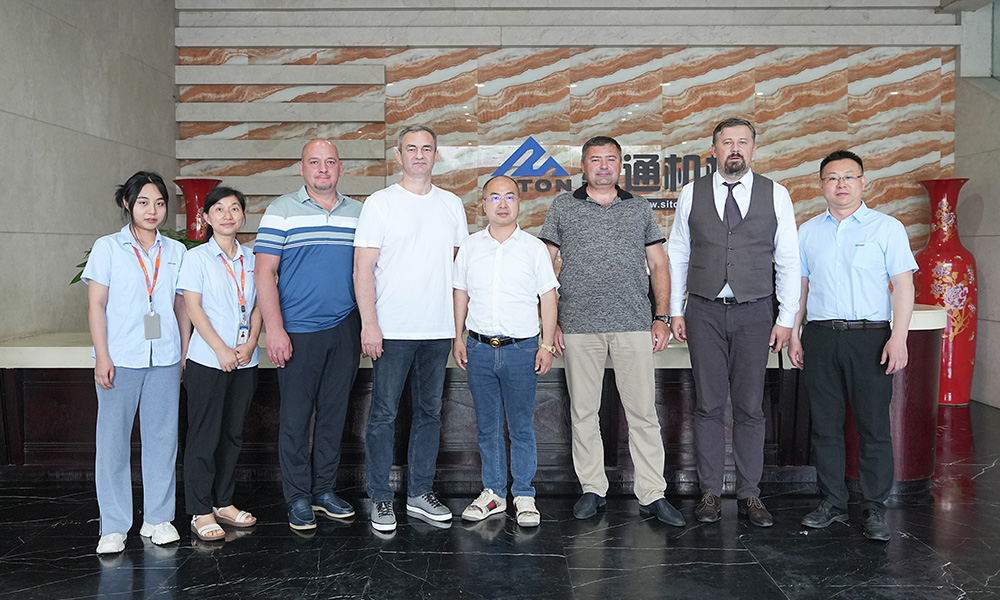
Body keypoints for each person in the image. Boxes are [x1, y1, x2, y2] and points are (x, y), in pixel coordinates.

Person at [538, 135, 684, 527]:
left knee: (643, 414)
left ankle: (652, 494)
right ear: (583, 166)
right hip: (577, 325)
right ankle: (592, 488)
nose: (603, 166)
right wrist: (549, 324)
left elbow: (659, 264)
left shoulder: (639, 207)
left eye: (610, 159)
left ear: (620, 165)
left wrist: (661, 316)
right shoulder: (563, 206)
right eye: (595, 159)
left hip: (633, 324)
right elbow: (543, 266)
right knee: (583, 412)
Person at [668, 118, 800, 528]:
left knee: (749, 406)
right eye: (727, 142)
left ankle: (749, 494)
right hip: (703, 309)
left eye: (743, 142)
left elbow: (789, 259)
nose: (735, 149)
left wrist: (786, 318)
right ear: (714, 150)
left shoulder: (776, 194)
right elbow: (678, 252)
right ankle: (709, 492)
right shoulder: (691, 193)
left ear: (754, 150)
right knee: (708, 405)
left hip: (755, 311)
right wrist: (674, 310)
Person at [789, 150, 916, 542]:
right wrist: (794, 333)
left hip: (870, 337)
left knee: (873, 425)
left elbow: (904, 285)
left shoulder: (887, 228)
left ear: (863, 182)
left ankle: (874, 507)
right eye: (832, 177)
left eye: (848, 176)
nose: (840, 184)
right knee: (825, 425)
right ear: (821, 185)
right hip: (821, 336)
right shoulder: (808, 231)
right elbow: (800, 288)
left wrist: (899, 337)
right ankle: (832, 502)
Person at [354, 125, 469, 533]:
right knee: (383, 415)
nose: (419, 155)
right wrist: (370, 324)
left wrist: (458, 331)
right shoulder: (380, 203)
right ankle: (380, 497)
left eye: (427, 149)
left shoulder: (451, 204)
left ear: (436, 155)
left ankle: (420, 493)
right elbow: (362, 269)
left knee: (429, 414)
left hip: (437, 330)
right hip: (392, 329)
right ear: (399, 155)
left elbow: (459, 272)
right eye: (411, 149)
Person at [254, 139, 363, 531]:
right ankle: (298, 496)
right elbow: (264, 272)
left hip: (345, 327)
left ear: (340, 168)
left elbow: (369, 272)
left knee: (335, 414)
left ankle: (324, 491)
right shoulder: (281, 210)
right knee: (296, 418)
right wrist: (275, 329)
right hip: (296, 330)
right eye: (314, 162)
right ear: (301, 168)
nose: (323, 169)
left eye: (330, 162)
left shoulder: (359, 213)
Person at [83, 171, 190, 554]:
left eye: (159, 203)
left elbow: (181, 306)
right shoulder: (108, 248)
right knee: (112, 442)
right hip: (120, 358)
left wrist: (183, 352)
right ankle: (114, 525)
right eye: (143, 202)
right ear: (127, 203)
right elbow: (96, 305)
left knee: (162, 439)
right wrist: (102, 355)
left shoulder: (176, 251)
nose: (152, 210)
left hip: (164, 358)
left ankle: (158, 519)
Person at [453, 175, 559, 528]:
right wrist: (457, 337)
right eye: (495, 197)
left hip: (522, 350)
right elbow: (460, 293)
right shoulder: (470, 246)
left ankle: (524, 494)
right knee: (487, 427)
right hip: (479, 348)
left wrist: (546, 343)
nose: (502, 204)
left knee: (521, 426)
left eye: (509, 197)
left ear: (519, 204)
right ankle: (494, 493)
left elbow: (548, 297)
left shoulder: (534, 248)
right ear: (483, 204)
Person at [177, 186, 262, 541]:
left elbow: (258, 306)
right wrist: (221, 349)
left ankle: (223, 502)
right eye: (219, 209)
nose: (228, 215)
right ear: (206, 217)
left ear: (243, 216)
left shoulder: (253, 259)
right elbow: (192, 308)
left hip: (245, 360)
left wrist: (252, 342)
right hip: (208, 361)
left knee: (232, 434)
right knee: (204, 435)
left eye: (234, 209)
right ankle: (200, 510)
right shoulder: (196, 258)